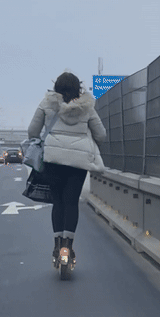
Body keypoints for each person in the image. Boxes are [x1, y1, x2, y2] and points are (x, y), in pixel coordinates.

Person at [27, 71, 106, 268]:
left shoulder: (47, 103)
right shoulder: (87, 107)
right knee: (71, 202)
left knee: (58, 202)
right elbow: (101, 134)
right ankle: (68, 248)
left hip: (53, 161)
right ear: (78, 88)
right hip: (78, 163)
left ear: (56, 87)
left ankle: (57, 246)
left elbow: (32, 131)